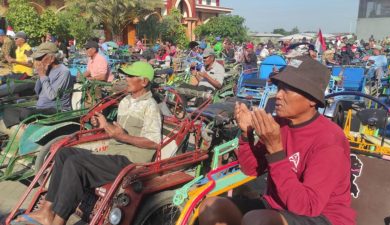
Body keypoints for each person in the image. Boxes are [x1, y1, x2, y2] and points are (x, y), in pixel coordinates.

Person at [198, 55, 356, 225]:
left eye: (287, 89)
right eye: (279, 87)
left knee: (257, 221)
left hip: (322, 216)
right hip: (278, 205)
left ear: (312, 99)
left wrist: (275, 150)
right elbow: (251, 169)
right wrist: (246, 134)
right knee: (212, 206)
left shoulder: (329, 139)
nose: (278, 95)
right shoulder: (280, 124)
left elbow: (307, 207)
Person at [11, 62, 162, 225]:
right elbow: (119, 131)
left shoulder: (150, 106)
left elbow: (153, 142)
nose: (126, 79)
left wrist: (122, 137)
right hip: (114, 153)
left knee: (76, 164)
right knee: (63, 153)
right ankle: (46, 212)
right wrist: (105, 126)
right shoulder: (126, 101)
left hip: (131, 161)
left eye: (131, 76)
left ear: (144, 82)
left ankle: (59, 221)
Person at [1, 42, 73, 128]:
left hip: (56, 109)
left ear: (52, 58)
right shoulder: (47, 69)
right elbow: (37, 91)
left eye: (40, 58)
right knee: (8, 110)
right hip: (42, 107)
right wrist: (40, 74)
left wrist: (43, 75)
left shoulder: (64, 71)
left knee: (26, 114)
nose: (38, 61)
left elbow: (52, 96)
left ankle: (25, 125)